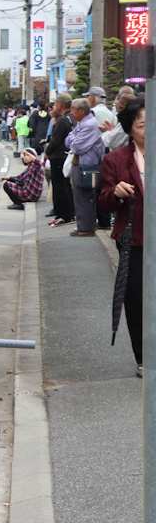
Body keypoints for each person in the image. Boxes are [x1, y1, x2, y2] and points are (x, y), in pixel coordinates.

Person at [97, 96, 145, 377]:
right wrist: (115, 192)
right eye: (141, 125)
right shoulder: (116, 160)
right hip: (134, 239)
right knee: (136, 297)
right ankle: (144, 357)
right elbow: (102, 202)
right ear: (129, 128)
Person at [66, 97, 106, 237]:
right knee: (80, 195)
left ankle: (87, 228)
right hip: (82, 164)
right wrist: (73, 140)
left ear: (81, 111)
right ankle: (83, 226)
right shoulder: (82, 122)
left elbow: (76, 147)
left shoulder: (89, 124)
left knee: (87, 195)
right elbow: (69, 140)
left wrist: (73, 140)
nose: (71, 112)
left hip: (90, 165)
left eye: (73, 109)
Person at [45, 94, 75, 226]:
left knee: (60, 187)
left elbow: (55, 141)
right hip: (64, 156)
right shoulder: (69, 118)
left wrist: (47, 151)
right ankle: (66, 214)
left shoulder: (62, 120)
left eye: (56, 104)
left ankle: (63, 215)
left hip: (59, 157)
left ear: (61, 105)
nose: (53, 107)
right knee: (64, 186)